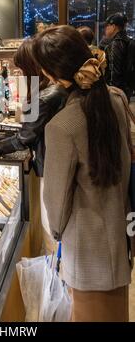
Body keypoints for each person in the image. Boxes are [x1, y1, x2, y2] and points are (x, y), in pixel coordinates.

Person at [33, 25, 132, 322]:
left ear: (52, 75)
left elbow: (56, 202)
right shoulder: (115, 99)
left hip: (87, 245)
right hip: (120, 230)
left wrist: (56, 232)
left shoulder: (62, 126)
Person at [0, 39, 68, 177]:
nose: (22, 73)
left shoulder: (44, 97)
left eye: (22, 68)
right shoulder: (54, 86)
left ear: (31, 67)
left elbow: (23, 139)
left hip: (51, 167)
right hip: (58, 161)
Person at [103, 13, 131, 98]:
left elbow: (115, 71)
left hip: (117, 91)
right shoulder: (128, 40)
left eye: (107, 26)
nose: (105, 29)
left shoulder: (117, 43)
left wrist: (113, 92)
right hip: (127, 88)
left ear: (113, 26)